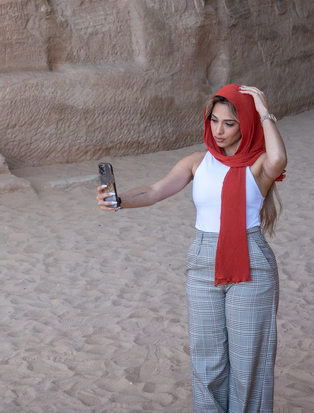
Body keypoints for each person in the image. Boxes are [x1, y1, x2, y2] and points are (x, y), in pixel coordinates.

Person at [96, 84, 287, 413]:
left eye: (229, 123)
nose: (219, 130)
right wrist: (119, 200)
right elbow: (155, 191)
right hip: (202, 262)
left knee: (248, 368)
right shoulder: (197, 162)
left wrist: (262, 108)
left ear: (246, 125)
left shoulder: (258, 165)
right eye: (214, 120)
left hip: (251, 264)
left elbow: (279, 157)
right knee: (207, 363)